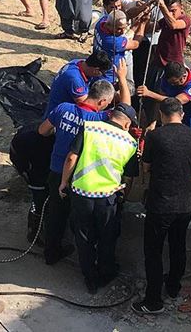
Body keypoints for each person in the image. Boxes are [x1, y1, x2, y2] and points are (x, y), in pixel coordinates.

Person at [132, 98, 191, 315]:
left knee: (153, 252)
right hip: (185, 204)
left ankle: (153, 301)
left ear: (162, 115)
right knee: (177, 246)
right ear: (181, 114)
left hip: (161, 203)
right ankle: (173, 287)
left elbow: (146, 168)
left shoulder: (155, 136)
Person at [59, 104, 140, 294]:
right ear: (127, 123)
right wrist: (123, 198)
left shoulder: (89, 128)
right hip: (107, 198)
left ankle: (90, 278)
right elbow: (129, 178)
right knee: (107, 237)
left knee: (84, 237)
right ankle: (106, 272)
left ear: (111, 115)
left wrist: (64, 182)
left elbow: (71, 158)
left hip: (81, 193)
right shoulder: (130, 143)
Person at [38, 79, 116, 265]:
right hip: (80, 176)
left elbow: (42, 131)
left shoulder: (63, 108)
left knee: (55, 214)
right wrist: (121, 76)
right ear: (102, 102)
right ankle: (87, 261)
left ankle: (51, 253)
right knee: (81, 219)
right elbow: (126, 110)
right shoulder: (98, 120)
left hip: (56, 169)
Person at [9, 124, 53, 243]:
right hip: (34, 171)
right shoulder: (32, 142)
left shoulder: (32, 132)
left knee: (42, 198)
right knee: (41, 202)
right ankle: (35, 234)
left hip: (33, 166)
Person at [137, 61, 191, 132]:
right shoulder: (168, 78)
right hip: (172, 111)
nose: (172, 85)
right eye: (170, 83)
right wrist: (153, 123)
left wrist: (149, 93)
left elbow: (175, 102)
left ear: (183, 77)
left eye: (174, 82)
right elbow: (160, 99)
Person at [44, 51, 111, 117]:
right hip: (57, 116)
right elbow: (87, 107)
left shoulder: (79, 62)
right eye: (102, 73)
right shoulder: (75, 79)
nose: (100, 76)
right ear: (96, 70)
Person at [93, 8, 147, 86]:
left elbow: (124, 32)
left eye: (124, 28)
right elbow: (135, 44)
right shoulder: (113, 42)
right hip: (109, 77)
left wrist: (137, 22)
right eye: (119, 29)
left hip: (97, 67)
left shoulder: (101, 22)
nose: (122, 32)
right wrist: (143, 24)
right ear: (109, 25)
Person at [132, 0, 165, 86]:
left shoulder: (163, 2)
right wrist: (142, 5)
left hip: (151, 43)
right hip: (137, 38)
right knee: (134, 69)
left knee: (145, 73)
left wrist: (142, 22)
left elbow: (156, 27)